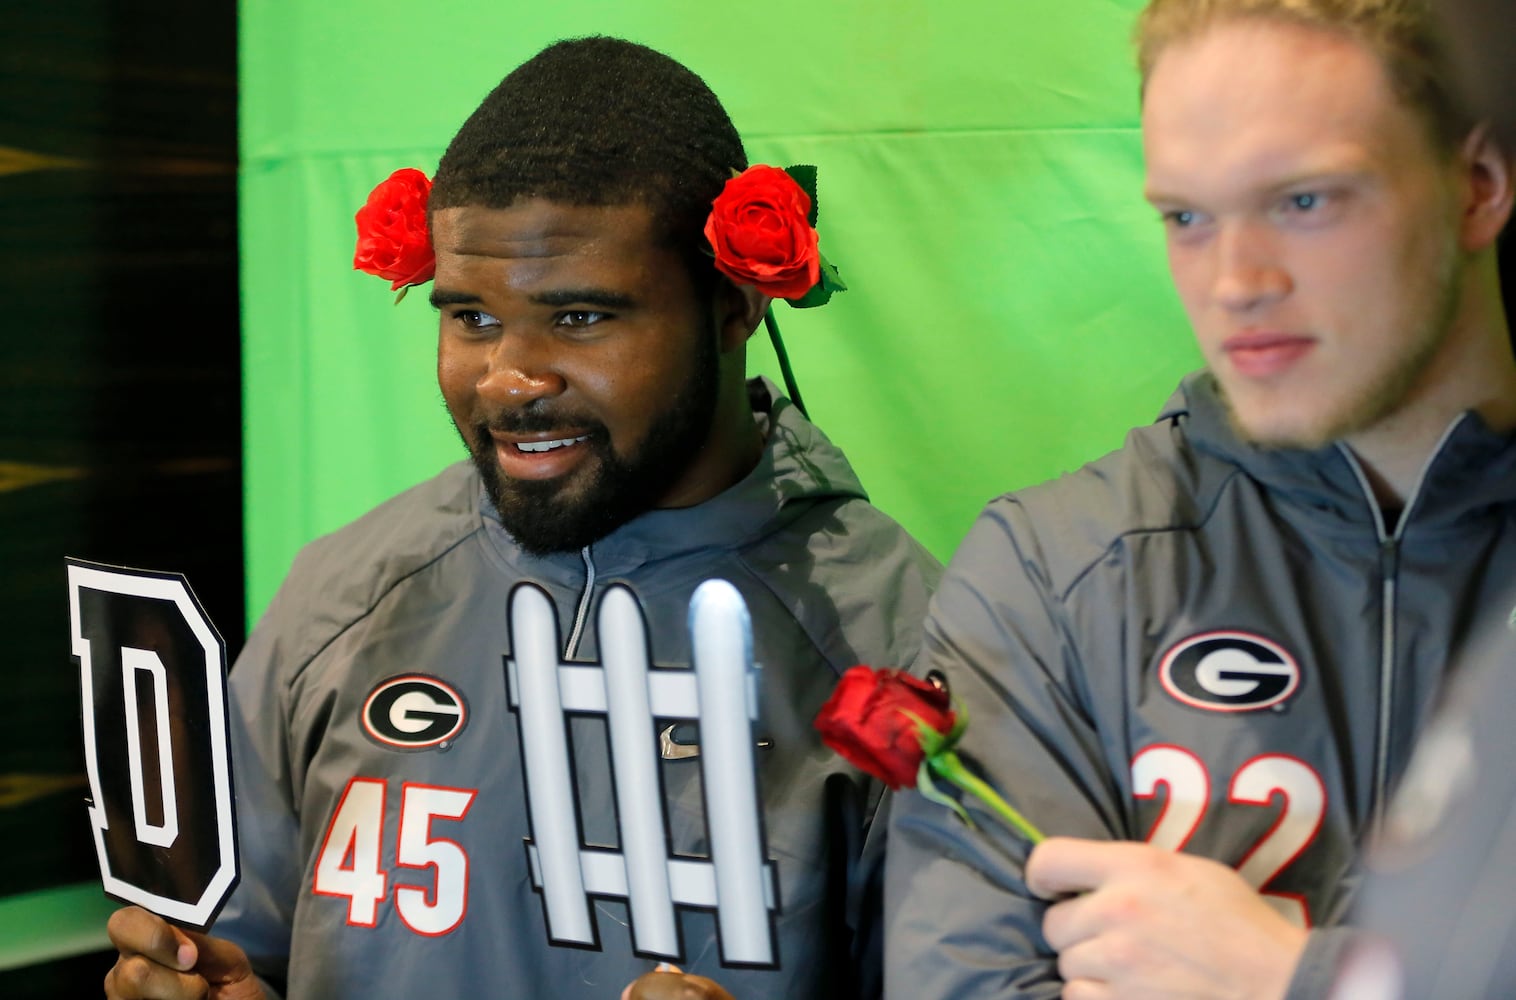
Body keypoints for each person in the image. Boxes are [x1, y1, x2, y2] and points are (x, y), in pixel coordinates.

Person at [103, 36, 939, 1000]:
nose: (510, 378)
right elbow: (243, 947)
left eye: (581, 318)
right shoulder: (345, 594)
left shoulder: (894, 642)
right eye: (471, 318)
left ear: (733, 306)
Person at [883, 0, 1516, 996]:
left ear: (1476, 184)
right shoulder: (1054, 572)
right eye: (1186, 216)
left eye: (1304, 200)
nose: (1234, 281)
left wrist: (1295, 979)